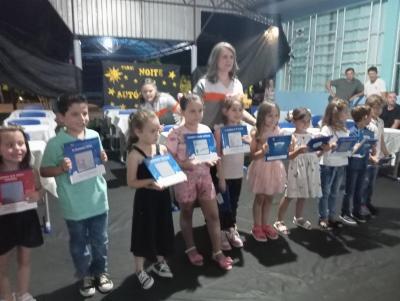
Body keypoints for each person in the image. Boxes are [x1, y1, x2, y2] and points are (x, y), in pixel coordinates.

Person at [40, 94, 113, 297]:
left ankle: (100, 272)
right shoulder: (56, 143)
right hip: (74, 205)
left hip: (98, 200)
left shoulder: (94, 135)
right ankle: (85, 275)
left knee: (100, 241)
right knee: (79, 244)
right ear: (61, 117)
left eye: (85, 113)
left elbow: (98, 161)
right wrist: (60, 168)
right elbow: (44, 171)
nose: (82, 118)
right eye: (75, 114)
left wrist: (103, 156)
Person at [166, 94, 233, 271]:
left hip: (205, 178)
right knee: (186, 212)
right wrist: (185, 164)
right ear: (182, 111)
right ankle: (190, 248)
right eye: (192, 111)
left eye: (200, 110)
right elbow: (169, 161)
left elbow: (212, 155)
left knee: (213, 215)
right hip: (184, 180)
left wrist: (217, 170)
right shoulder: (175, 134)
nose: (197, 115)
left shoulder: (205, 130)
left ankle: (217, 251)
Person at [126, 109, 175, 290]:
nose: (157, 134)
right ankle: (139, 269)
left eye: (158, 130)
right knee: (143, 232)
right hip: (145, 201)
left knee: (162, 229)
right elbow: (131, 182)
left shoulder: (161, 148)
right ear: (138, 132)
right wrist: (150, 181)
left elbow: (168, 171)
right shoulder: (135, 154)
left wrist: (173, 175)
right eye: (152, 131)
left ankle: (160, 261)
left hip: (162, 198)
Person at [0, 126, 44, 301]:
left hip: (26, 219)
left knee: (24, 260)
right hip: (3, 223)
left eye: (21, 143)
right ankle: (5, 295)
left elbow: (41, 191)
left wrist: (37, 195)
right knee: (1, 265)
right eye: (10, 145)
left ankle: (23, 293)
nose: (17, 148)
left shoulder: (31, 170)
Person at [273, 108, 328, 235]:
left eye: (308, 121)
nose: (306, 124)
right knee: (290, 195)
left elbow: (315, 156)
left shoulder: (312, 136)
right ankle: (279, 220)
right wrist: (298, 150)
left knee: (303, 195)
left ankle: (298, 217)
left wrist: (324, 150)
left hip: (310, 169)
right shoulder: (291, 137)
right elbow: (288, 156)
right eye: (303, 121)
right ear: (294, 121)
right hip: (296, 170)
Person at [247, 101, 286, 242]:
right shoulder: (256, 132)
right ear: (262, 116)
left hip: (275, 168)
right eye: (270, 115)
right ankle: (257, 226)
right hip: (261, 168)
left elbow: (281, 151)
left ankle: (265, 224)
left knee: (270, 197)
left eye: (276, 115)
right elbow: (252, 156)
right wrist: (262, 151)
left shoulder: (279, 130)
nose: (274, 119)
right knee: (260, 198)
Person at [193, 41, 256, 129]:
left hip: (232, 134)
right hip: (207, 135)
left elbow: (241, 111)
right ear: (215, 59)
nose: (229, 60)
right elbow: (192, 111)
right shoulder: (203, 84)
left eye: (231, 57)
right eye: (224, 57)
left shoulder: (237, 85)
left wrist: (256, 123)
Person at [214, 96, 248, 250]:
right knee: (223, 205)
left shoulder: (244, 129)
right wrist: (221, 177)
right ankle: (221, 231)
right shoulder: (220, 130)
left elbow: (248, 151)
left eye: (240, 110)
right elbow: (218, 156)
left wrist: (250, 141)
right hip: (224, 176)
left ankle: (231, 229)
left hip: (237, 175)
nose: (237, 113)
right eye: (233, 110)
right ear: (225, 111)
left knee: (234, 203)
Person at [340, 105, 375, 225]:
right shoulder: (352, 132)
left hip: (364, 162)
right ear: (365, 117)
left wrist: (372, 147)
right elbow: (350, 150)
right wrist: (361, 146)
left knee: (359, 189)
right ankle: (345, 212)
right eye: (370, 116)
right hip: (353, 163)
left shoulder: (369, 132)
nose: (371, 118)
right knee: (349, 189)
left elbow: (370, 150)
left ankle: (356, 211)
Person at [318, 99, 350, 230]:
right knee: (325, 192)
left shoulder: (344, 129)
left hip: (341, 164)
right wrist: (330, 146)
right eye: (345, 112)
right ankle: (323, 217)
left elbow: (348, 147)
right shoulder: (326, 129)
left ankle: (332, 216)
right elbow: (321, 145)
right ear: (336, 114)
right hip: (328, 164)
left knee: (335, 192)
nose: (347, 114)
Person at [365, 95, 390, 217]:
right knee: (364, 182)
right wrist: (370, 155)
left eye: (380, 108)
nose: (378, 111)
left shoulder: (380, 121)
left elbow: (381, 139)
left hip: (377, 158)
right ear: (368, 108)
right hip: (367, 158)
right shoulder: (366, 122)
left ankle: (367, 202)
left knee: (371, 183)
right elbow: (364, 142)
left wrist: (386, 152)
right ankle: (360, 206)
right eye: (375, 108)